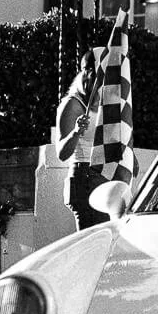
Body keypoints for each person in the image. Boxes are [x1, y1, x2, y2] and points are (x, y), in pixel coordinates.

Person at [55, 51, 107, 230]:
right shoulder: (73, 104)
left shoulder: (103, 101)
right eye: (88, 71)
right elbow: (62, 153)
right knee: (95, 241)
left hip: (99, 175)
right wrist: (76, 132)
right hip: (84, 175)